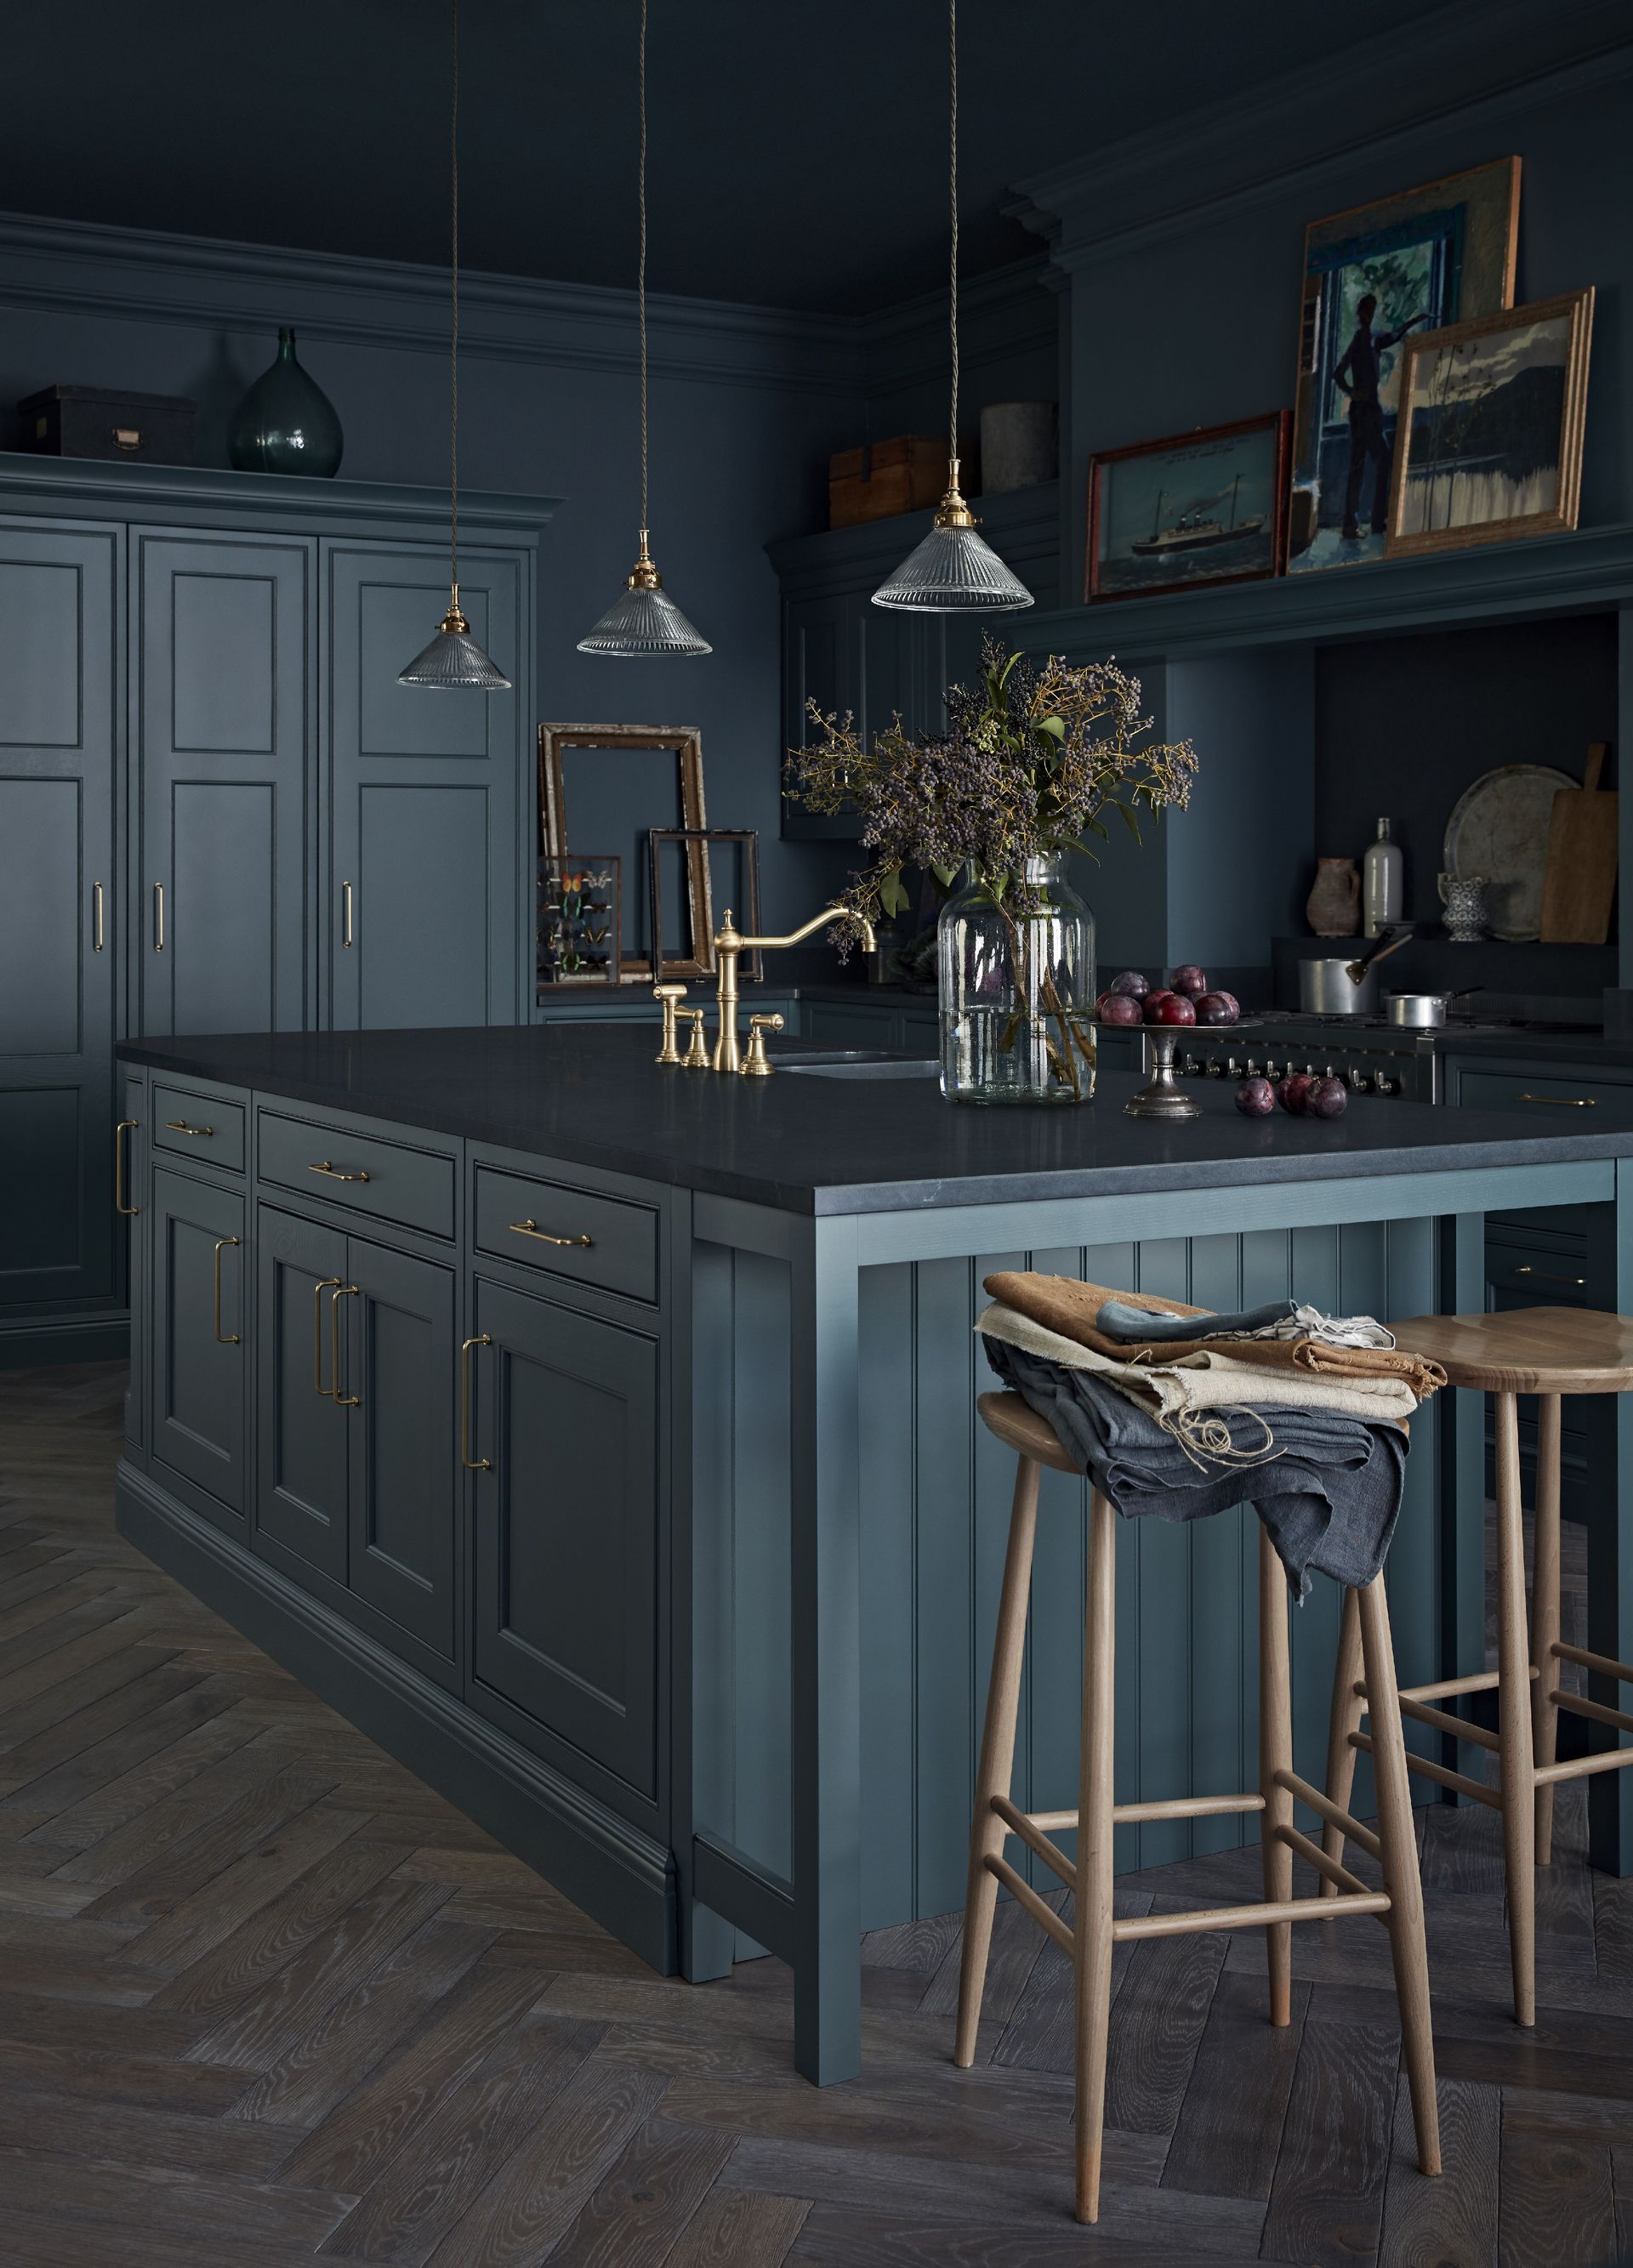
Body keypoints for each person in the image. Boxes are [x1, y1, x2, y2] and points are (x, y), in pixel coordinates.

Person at [1330, 293, 1431, 538]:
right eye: (1368, 310)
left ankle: (1375, 521)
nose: (1370, 314)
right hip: (1362, 412)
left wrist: (1412, 322)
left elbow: (1393, 336)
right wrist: (1352, 393)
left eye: (1373, 310)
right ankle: (1353, 524)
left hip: (1371, 411)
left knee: (1378, 462)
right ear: (1362, 313)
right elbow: (1337, 373)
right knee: (1360, 465)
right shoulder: (1360, 339)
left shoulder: (1373, 339)